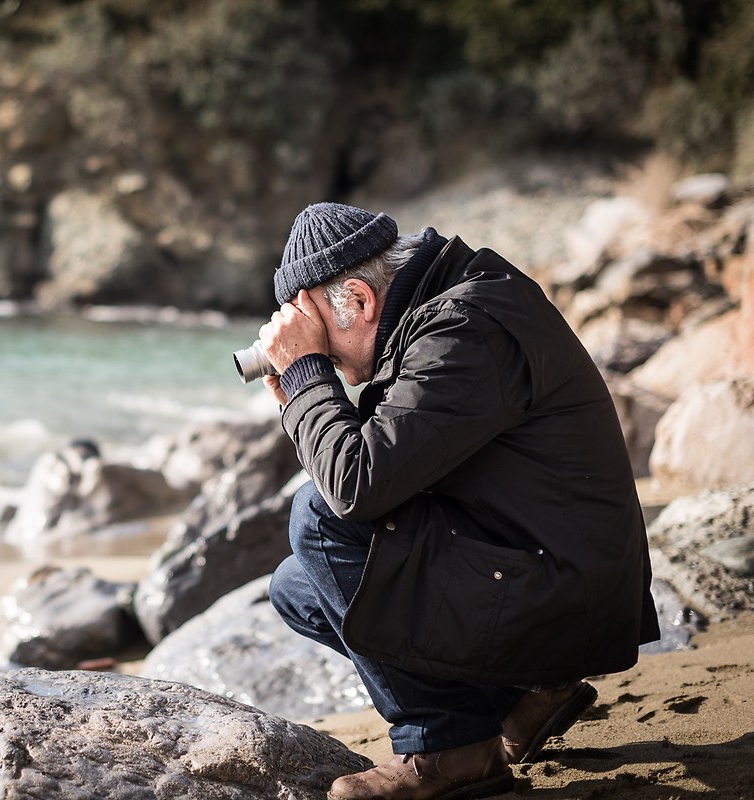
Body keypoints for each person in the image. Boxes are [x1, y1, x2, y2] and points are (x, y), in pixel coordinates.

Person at [259, 202, 660, 800]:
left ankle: (450, 746)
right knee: (298, 586)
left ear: (361, 300)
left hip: (569, 597)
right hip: (550, 571)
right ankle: (516, 697)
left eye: (320, 332)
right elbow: (386, 465)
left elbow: (354, 486)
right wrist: (304, 385)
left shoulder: (464, 329)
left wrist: (306, 377)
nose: (330, 360)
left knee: (316, 519)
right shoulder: (442, 309)